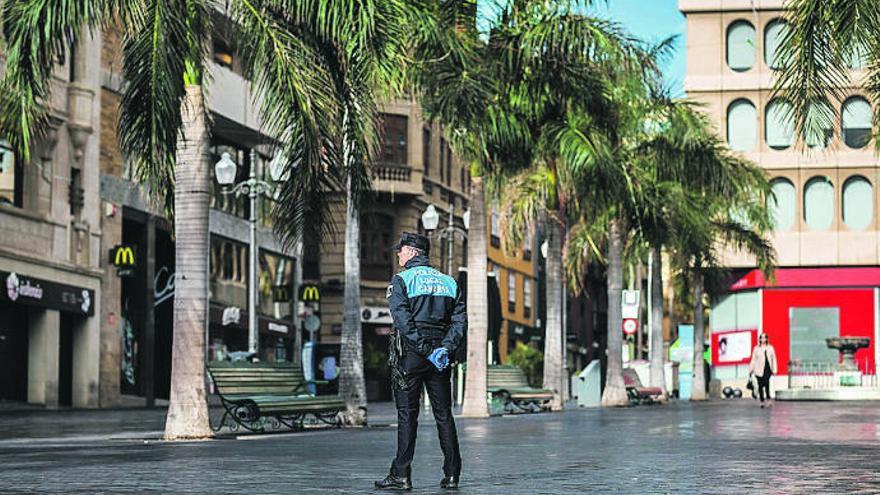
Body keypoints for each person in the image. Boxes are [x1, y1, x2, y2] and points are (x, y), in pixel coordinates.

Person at [375, 232, 466, 492]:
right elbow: (459, 321)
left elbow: (402, 320)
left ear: (413, 251)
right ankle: (452, 475)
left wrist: (425, 349)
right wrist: (444, 349)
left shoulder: (401, 280)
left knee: (407, 416)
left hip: (412, 355)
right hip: (440, 356)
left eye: (401, 250)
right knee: (444, 415)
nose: (398, 255)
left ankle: (401, 475)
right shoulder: (449, 281)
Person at [748, 333, 778, 408]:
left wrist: (774, 369)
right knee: (760, 385)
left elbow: (774, 359)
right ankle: (762, 400)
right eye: (762, 338)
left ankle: (768, 399)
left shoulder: (770, 348)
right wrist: (751, 369)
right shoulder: (756, 348)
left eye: (765, 338)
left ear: (767, 339)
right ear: (760, 339)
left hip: (767, 369)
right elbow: (753, 359)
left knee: (767, 384)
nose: (763, 339)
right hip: (758, 369)